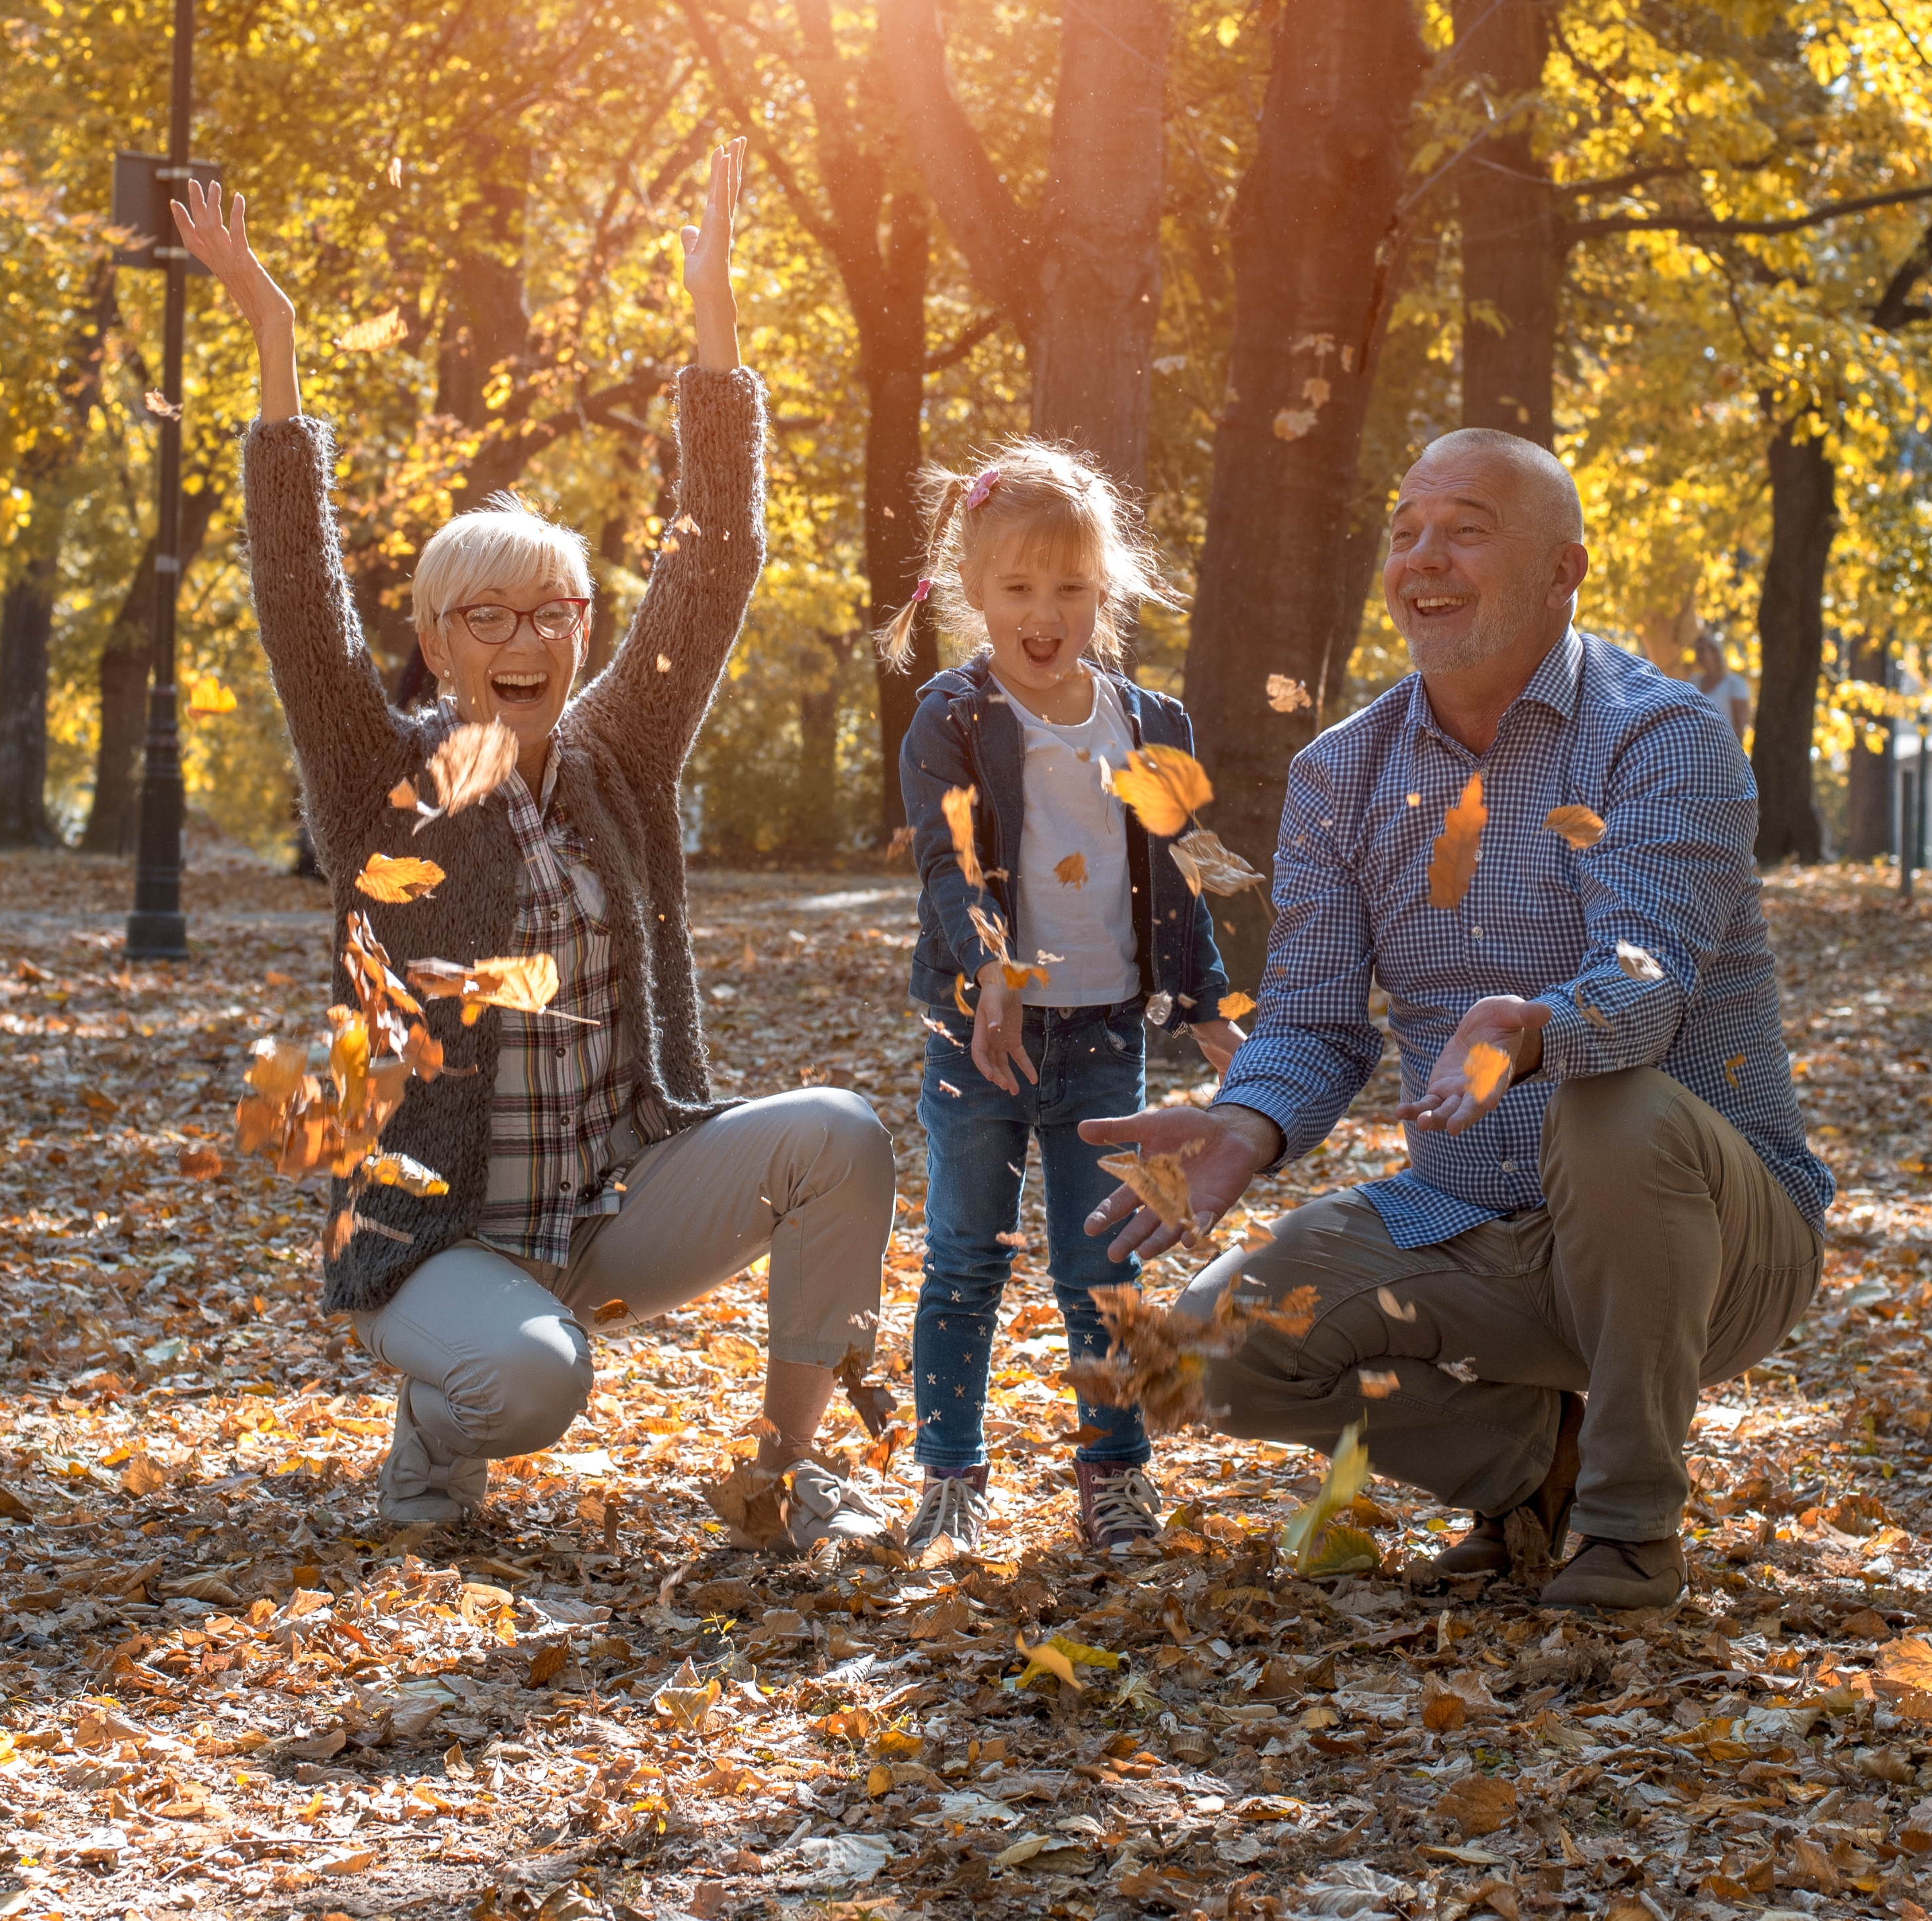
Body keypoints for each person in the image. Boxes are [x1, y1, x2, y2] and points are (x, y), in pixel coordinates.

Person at [173, 146, 898, 1546]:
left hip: (614, 1203)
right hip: (438, 1234)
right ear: (437, 642)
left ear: (582, 626)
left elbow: (714, 560)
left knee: (843, 1138)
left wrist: (713, 323)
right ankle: (443, 1418)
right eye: (485, 617)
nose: (523, 639)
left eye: (550, 612)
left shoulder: (618, 755)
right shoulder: (379, 780)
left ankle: (781, 1474)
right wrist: (274, 336)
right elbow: (296, 594)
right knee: (534, 1386)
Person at [1075, 428, 1832, 1610]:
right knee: (1197, 1352)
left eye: (1465, 530)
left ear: (1562, 571)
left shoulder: (1658, 736)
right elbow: (1312, 1021)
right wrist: (1247, 1122)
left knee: (1611, 1108)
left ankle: (1628, 1528)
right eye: (1405, 532)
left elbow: (1647, 979)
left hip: (1710, 1237)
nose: (1423, 557)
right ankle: (1536, 1469)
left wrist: (1533, 1029)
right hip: (1472, 1219)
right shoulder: (1340, 773)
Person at [886, 442, 1243, 1559]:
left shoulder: (1149, 723)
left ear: (1106, 591)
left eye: (1070, 588)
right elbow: (947, 863)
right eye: (1017, 588)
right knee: (964, 1258)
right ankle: (950, 1475)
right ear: (971, 590)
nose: (1043, 615)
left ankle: (1115, 1474)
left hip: (1102, 1037)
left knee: (1103, 1266)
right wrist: (990, 966)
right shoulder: (952, 717)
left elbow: (1176, 880)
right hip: (979, 1036)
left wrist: (1208, 1012)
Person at [1691, 630, 1751, 740]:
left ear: (1715, 652)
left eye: (1703, 650)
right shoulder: (1694, 682)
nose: (1699, 656)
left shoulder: (1734, 683)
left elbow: (1740, 724)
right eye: (1697, 651)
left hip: (1725, 745)